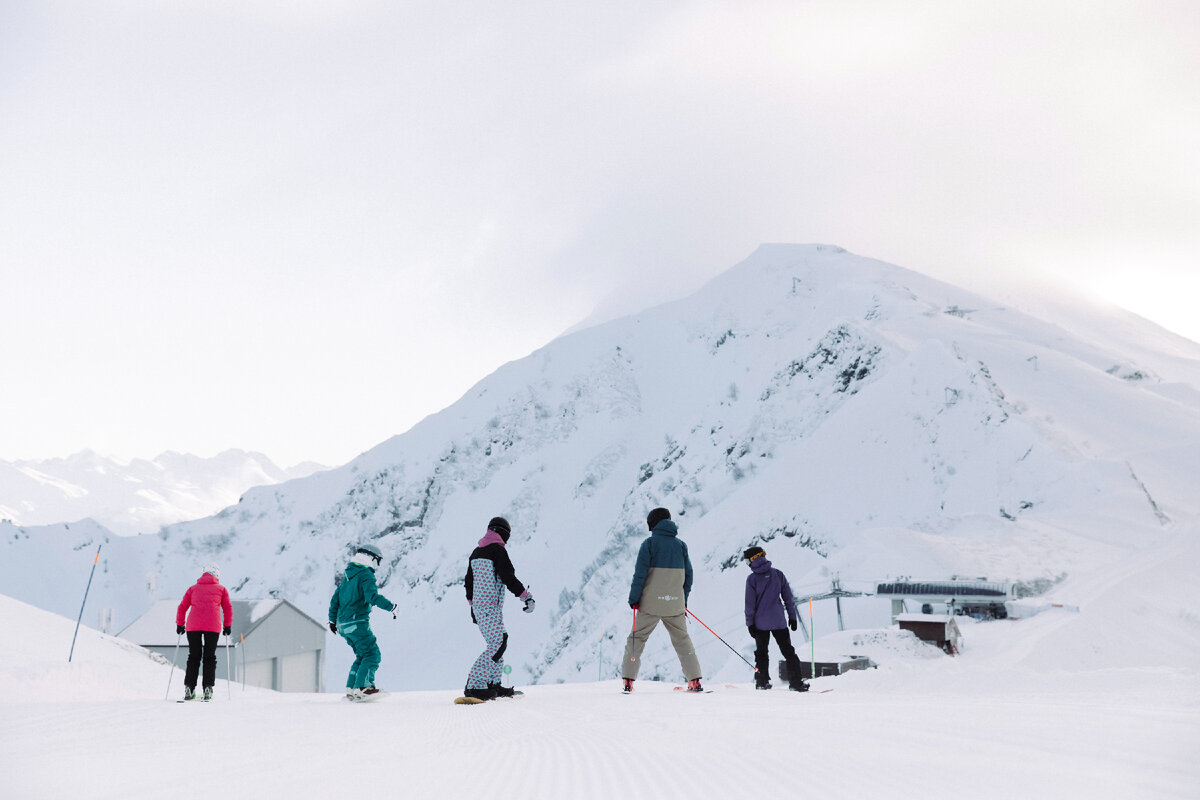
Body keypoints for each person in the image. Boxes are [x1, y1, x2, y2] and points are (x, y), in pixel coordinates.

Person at [621, 507, 703, 693]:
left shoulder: (649, 544)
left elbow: (640, 575)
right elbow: (688, 577)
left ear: (653, 524)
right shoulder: (681, 546)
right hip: (675, 604)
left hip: (650, 604)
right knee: (682, 640)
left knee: (637, 638)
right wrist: (682, 601)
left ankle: (628, 681)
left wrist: (634, 599)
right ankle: (694, 681)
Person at [463, 517, 535, 702]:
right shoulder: (497, 550)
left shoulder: (476, 552)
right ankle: (474, 685)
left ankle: (492, 684)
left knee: (500, 641)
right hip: (488, 606)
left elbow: (469, 581)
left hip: (482, 607)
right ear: (503, 533)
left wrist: (473, 606)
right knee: (497, 644)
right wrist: (525, 596)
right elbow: (508, 577)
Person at [328, 544, 398, 700]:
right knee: (372, 654)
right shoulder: (365, 574)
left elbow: (335, 600)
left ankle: (352, 689)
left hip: (342, 625)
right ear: (371, 557)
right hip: (357, 622)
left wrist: (332, 621)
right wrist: (392, 607)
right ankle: (364, 688)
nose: (377, 564)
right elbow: (372, 597)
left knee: (362, 655)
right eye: (377, 560)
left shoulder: (348, 576)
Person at [743, 546, 807, 691]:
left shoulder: (752, 579)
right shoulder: (778, 574)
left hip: (760, 624)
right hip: (779, 621)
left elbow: (749, 604)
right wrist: (792, 617)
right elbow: (788, 598)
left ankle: (762, 682)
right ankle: (796, 683)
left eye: (747, 561)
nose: (748, 565)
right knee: (788, 652)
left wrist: (750, 624)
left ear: (753, 559)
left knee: (761, 653)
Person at [175, 563, 233, 702]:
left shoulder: (193, 589)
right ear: (217, 574)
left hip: (193, 626)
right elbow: (227, 608)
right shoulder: (221, 589)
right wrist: (227, 626)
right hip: (212, 626)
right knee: (209, 657)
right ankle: (207, 688)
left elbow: (182, 607)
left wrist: (180, 624)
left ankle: (189, 688)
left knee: (193, 657)